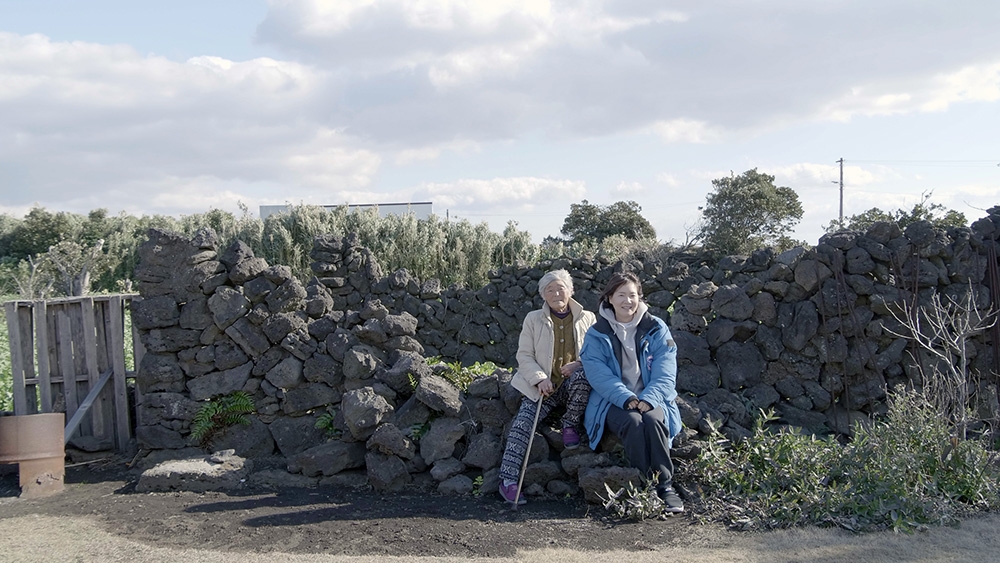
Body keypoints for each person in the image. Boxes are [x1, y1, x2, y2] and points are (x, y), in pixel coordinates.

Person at [580, 271, 684, 513]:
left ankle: (665, 486)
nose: (628, 301)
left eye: (633, 295)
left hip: (651, 396)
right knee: (634, 424)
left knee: (654, 420)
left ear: (640, 298)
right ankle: (644, 486)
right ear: (609, 298)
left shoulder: (656, 328)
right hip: (613, 400)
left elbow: (666, 371)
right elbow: (597, 373)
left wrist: (649, 398)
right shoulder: (596, 333)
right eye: (622, 295)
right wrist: (626, 398)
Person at [498, 269, 597, 505]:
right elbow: (524, 355)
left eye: (560, 288)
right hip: (544, 388)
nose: (555, 293)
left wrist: (578, 364)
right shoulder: (533, 319)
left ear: (570, 290)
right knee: (522, 424)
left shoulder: (588, 318)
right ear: (543, 295)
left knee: (583, 375)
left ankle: (570, 423)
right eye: (549, 290)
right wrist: (540, 378)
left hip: (574, 384)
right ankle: (508, 481)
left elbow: (596, 354)